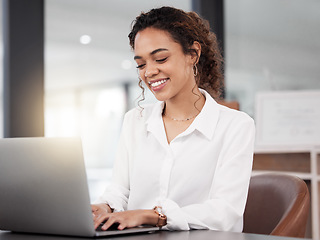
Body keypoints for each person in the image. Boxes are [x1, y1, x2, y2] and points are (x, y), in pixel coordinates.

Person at [92, 6, 255, 232]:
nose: (148, 72)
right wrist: (105, 207)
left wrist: (154, 215)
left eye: (160, 58)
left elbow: (224, 211)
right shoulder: (135, 120)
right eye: (141, 64)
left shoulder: (235, 126)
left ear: (193, 54)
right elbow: (120, 190)